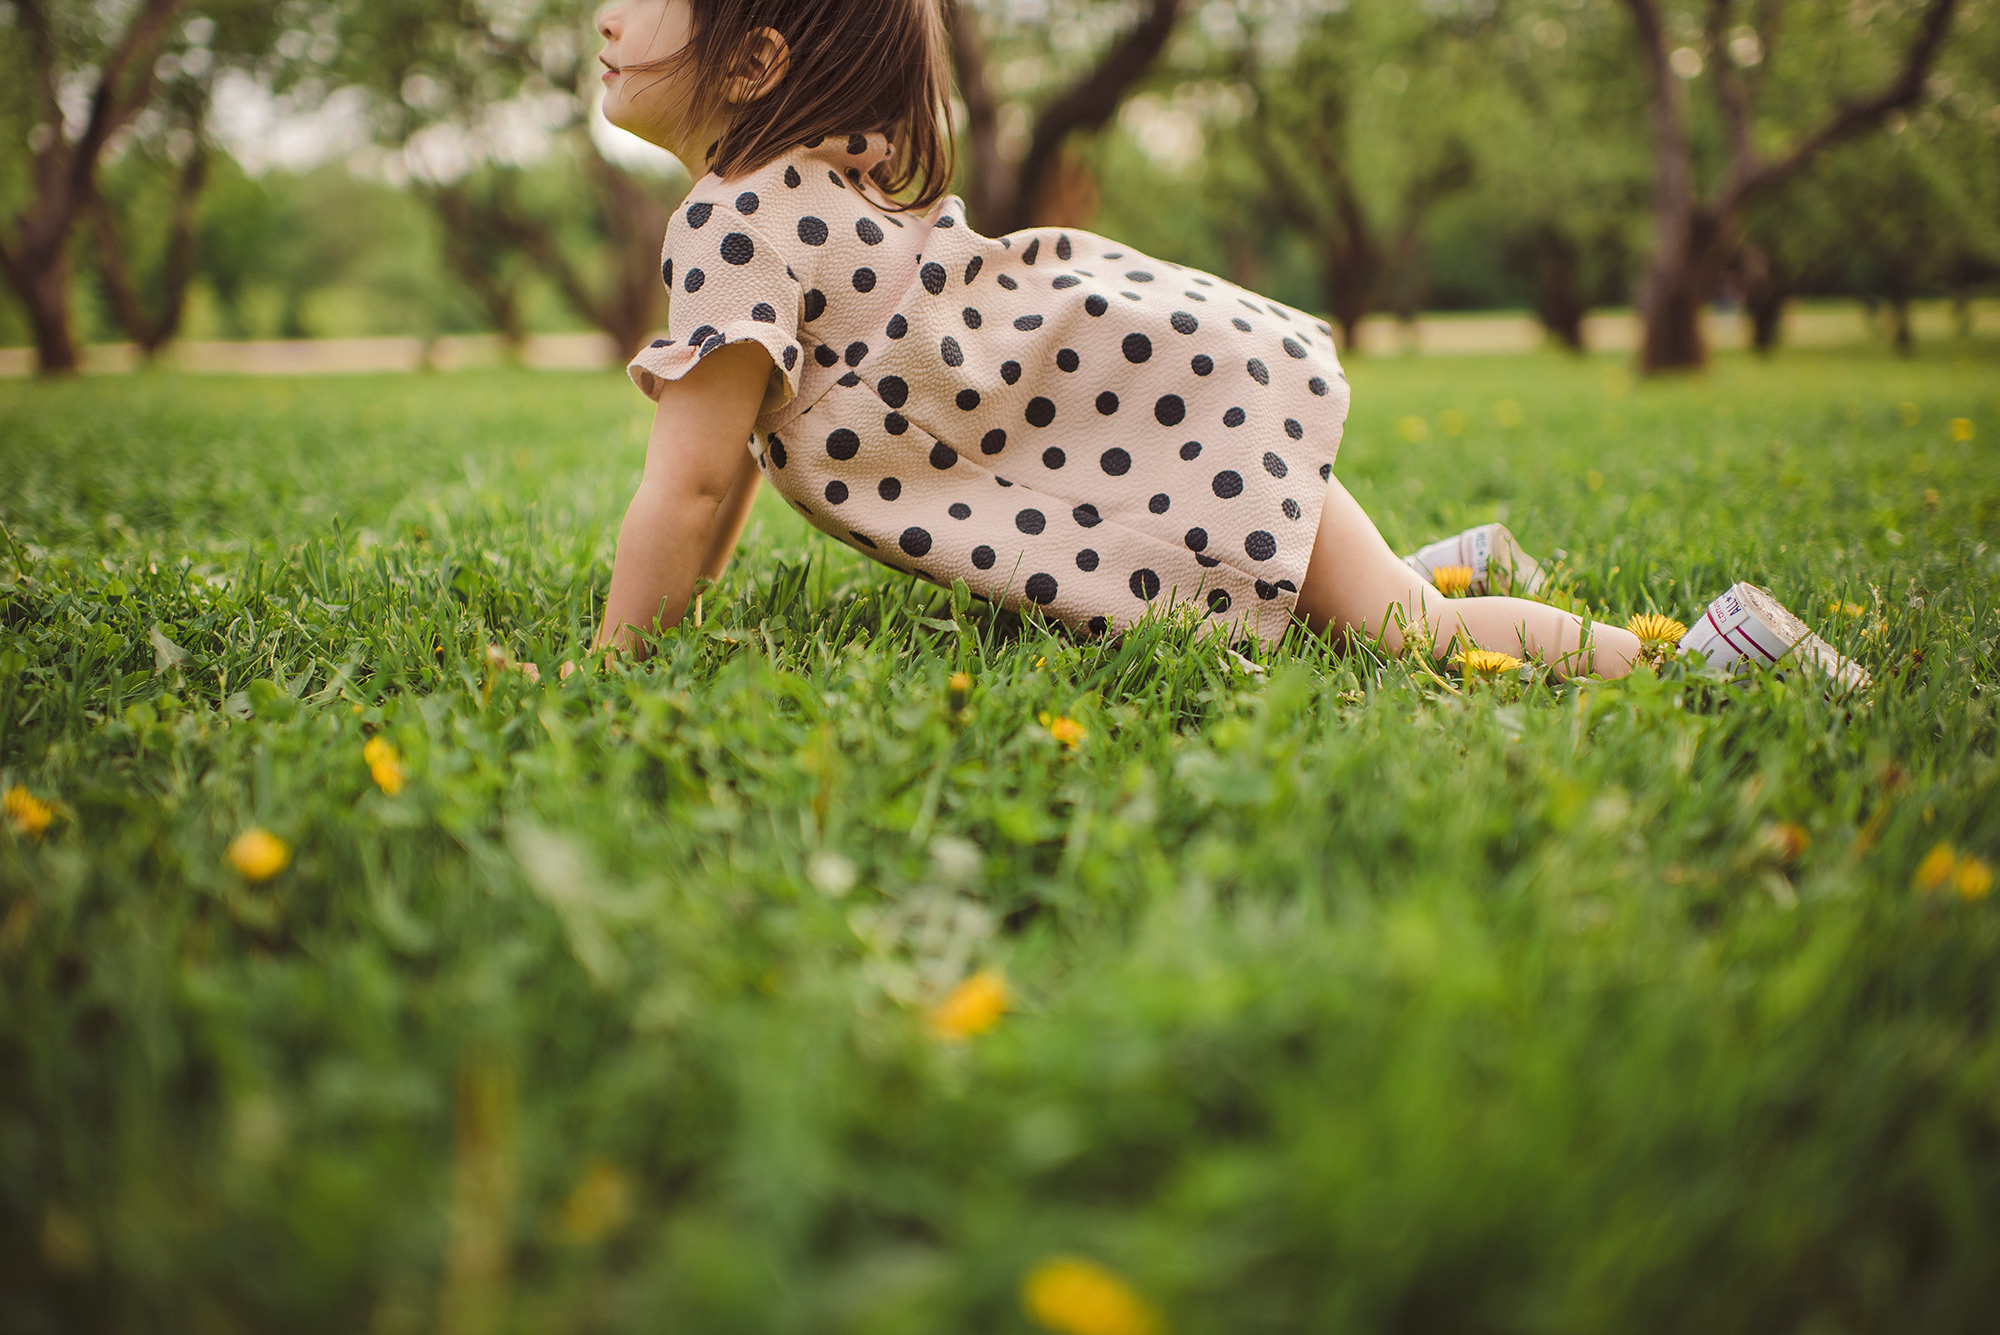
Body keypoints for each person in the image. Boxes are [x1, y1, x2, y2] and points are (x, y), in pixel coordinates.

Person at [573, 0, 1865, 691]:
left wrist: (611, 665)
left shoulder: (733, 221)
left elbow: (685, 486)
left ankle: (1704, 656)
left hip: (1153, 414)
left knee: (1400, 636)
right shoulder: (803, 198)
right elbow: (730, 458)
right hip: (1155, 391)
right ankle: (1460, 565)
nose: (607, 14)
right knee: (1344, 605)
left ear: (753, 60)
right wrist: (668, 629)